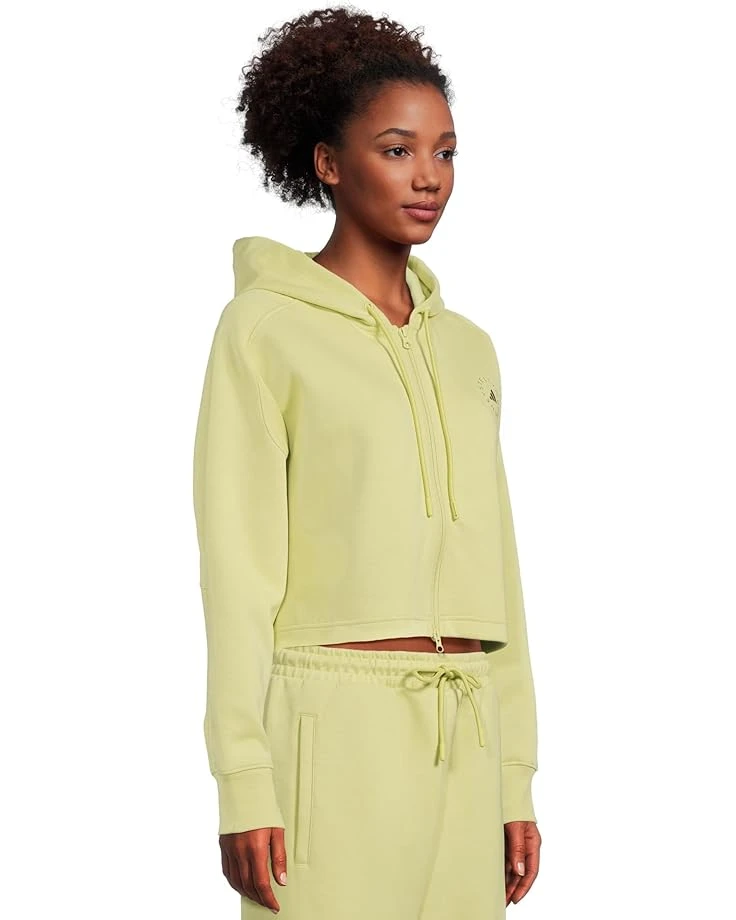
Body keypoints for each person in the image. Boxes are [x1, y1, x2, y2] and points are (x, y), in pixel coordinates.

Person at [192, 6, 542, 918]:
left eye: (446, 152)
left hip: (467, 734)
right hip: (330, 734)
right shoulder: (264, 331)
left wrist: (513, 774)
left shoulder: (469, 350)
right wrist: (243, 778)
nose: (429, 177)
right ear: (328, 162)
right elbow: (239, 570)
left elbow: (500, 569)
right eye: (397, 150)